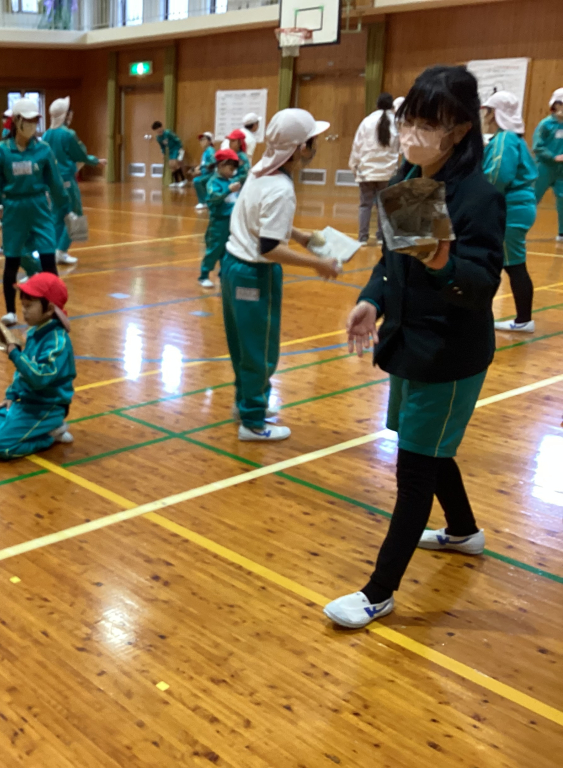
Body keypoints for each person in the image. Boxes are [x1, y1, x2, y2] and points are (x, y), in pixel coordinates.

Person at [325, 66, 505, 629]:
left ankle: (379, 591)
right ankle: (463, 532)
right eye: (408, 121)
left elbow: (481, 284)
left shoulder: (479, 196)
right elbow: (390, 259)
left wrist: (443, 261)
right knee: (422, 442)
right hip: (407, 342)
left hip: (447, 357)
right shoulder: (410, 177)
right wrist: (371, 300)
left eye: (426, 124)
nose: (411, 133)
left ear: (456, 128)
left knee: (415, 471)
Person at [222, 109, 340, 442]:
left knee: (243, 345)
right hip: (254, 275)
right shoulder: (282, 189)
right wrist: (317, 264)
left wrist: (300, 236)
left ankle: (244, 404)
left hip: (232, 266)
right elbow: (269, 247)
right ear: (300, 147)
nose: (315, 146)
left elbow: (260, 220)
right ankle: (254, 422)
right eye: (312, 141)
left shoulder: (259, 171)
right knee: (261, 350)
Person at [0, 98, 67, 326]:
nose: (32, 125)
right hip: (14, 209)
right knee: (11, 261)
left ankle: (55, 308)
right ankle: (10, 311)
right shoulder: (1, 151)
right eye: (28, 120)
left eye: (35, 121)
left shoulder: (43, 150)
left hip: (39, 207)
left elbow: (56, 183)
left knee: (49, 259)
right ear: (17, 121)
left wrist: (66, 208)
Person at [0, 273, 75, 459]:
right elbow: (22, 374)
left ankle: (50, 435)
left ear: (49, 309)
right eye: (22, 306)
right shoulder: (34, 331)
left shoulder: (57, 342)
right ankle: (31, 429)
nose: (24, 311)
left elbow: (39, 378)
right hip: (25, 404)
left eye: (29, 306)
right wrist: (10, 396)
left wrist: (14, 355)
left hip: (47, 407)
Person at [482, 91, 538, 333]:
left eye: (486, 110)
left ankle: (523, 320)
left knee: (513, 265)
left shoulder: (505, 138)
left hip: (511, 209)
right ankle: (522, 318)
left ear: (494, 113)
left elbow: (498, 175)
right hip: (518, 208)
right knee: (510, 263)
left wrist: (478, 195)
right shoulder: (513, 138)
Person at [42, 97, 106, 265]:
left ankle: (54, 251)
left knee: (57, 216)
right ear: (65, 115)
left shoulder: (46, 135)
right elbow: (80, 155)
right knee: (76, 215)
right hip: (67, 181)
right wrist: (95, 161)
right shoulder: (68, 134)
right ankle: (62, 251)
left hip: (52, 182)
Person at [349, 93, 400, 244]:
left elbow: (357, 145)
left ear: (377, 105)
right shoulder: (396, 123)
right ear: (392, 106)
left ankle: (362, 237)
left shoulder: (367, 121)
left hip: (367, 171)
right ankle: (381, 237)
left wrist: (353, 164)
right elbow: (400, 147)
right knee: (383, 206)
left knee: (365, 205)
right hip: (388, 172)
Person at [197, 149, 241, 288]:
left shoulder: (232, 181)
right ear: (221, 165)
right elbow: (213, 198)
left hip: (232, 222)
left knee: (229, 250)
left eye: (234, 169)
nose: (232, 172)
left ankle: (224, 275)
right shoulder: (214, 182)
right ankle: (204, 275)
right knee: (214, 249)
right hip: (219, 223)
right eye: (230, 168)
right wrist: (228, 190)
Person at [533, 88, 563, 243]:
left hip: (562, 171)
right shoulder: (545, 124)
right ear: (556, 105)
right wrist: (552, 157)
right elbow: (537, 146)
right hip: (544, 168)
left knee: (562, 200)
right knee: (532, 198)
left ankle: (562, 233)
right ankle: (519, 230)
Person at [152, 121, 185, 186]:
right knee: (171, 165)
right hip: (170, 150)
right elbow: (162, 147)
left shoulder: (168, 133)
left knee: (174, 163)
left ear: (161, 127)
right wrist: (163, 153)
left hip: (176, 148)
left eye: (159, 129)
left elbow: (176, 139)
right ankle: (176, 182)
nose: (159, 132)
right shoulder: (158, 138)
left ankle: (183, 180)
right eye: (157, 131)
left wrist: (180, 147)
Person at [193, 132, 216, 211]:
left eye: (204, 139)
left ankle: (203, 202)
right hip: (206, 173)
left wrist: (202, 168)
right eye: (201, 140)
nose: (201, 142)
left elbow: (213, 162)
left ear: (210, 141)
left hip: (211, 174)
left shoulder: (210, 150)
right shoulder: (205, 151)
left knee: (197, 181)